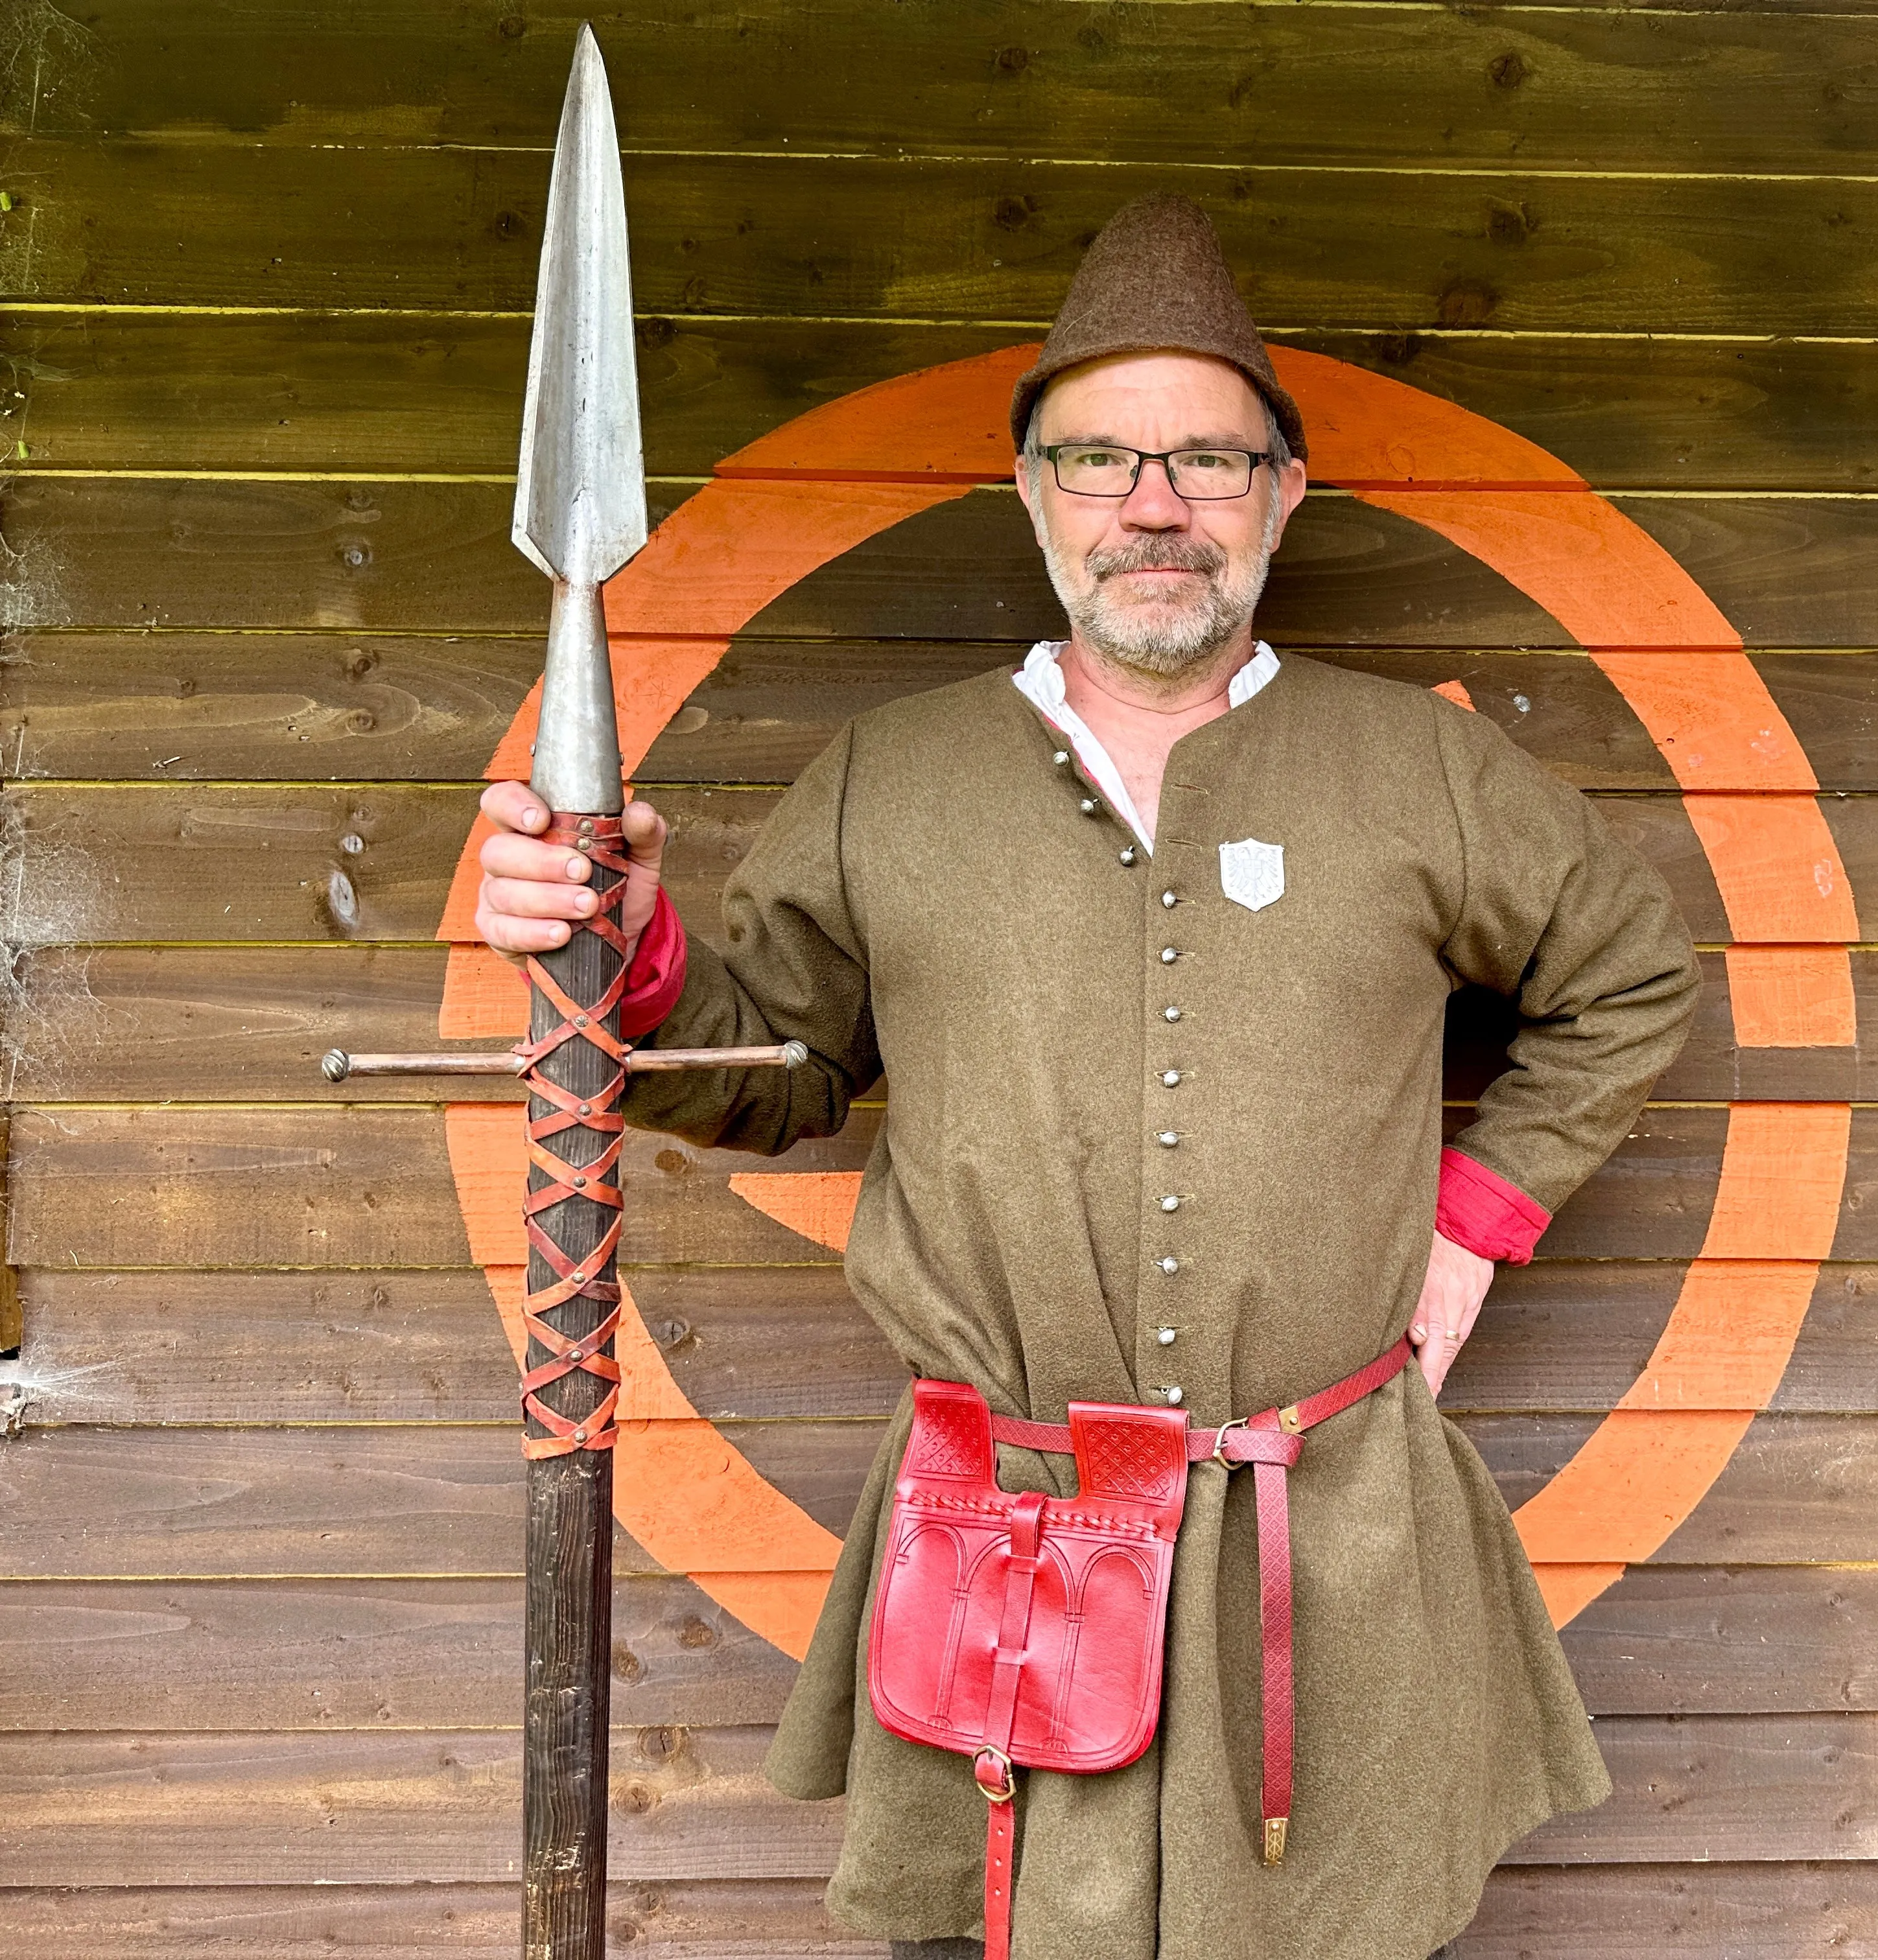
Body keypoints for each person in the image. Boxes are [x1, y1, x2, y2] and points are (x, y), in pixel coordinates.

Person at [473, 192, 1700, 1960]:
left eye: (1208, 459)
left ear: (1284, 490)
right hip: (1007, 1536)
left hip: (1327, 1534)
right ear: (1033, 489)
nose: (1155, 505)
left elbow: (1630, 976)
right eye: (1101, 456)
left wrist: (1479, 1217)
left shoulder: (1418, 774)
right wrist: (625, 956)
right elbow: (776, 1069)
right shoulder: (885, 781)